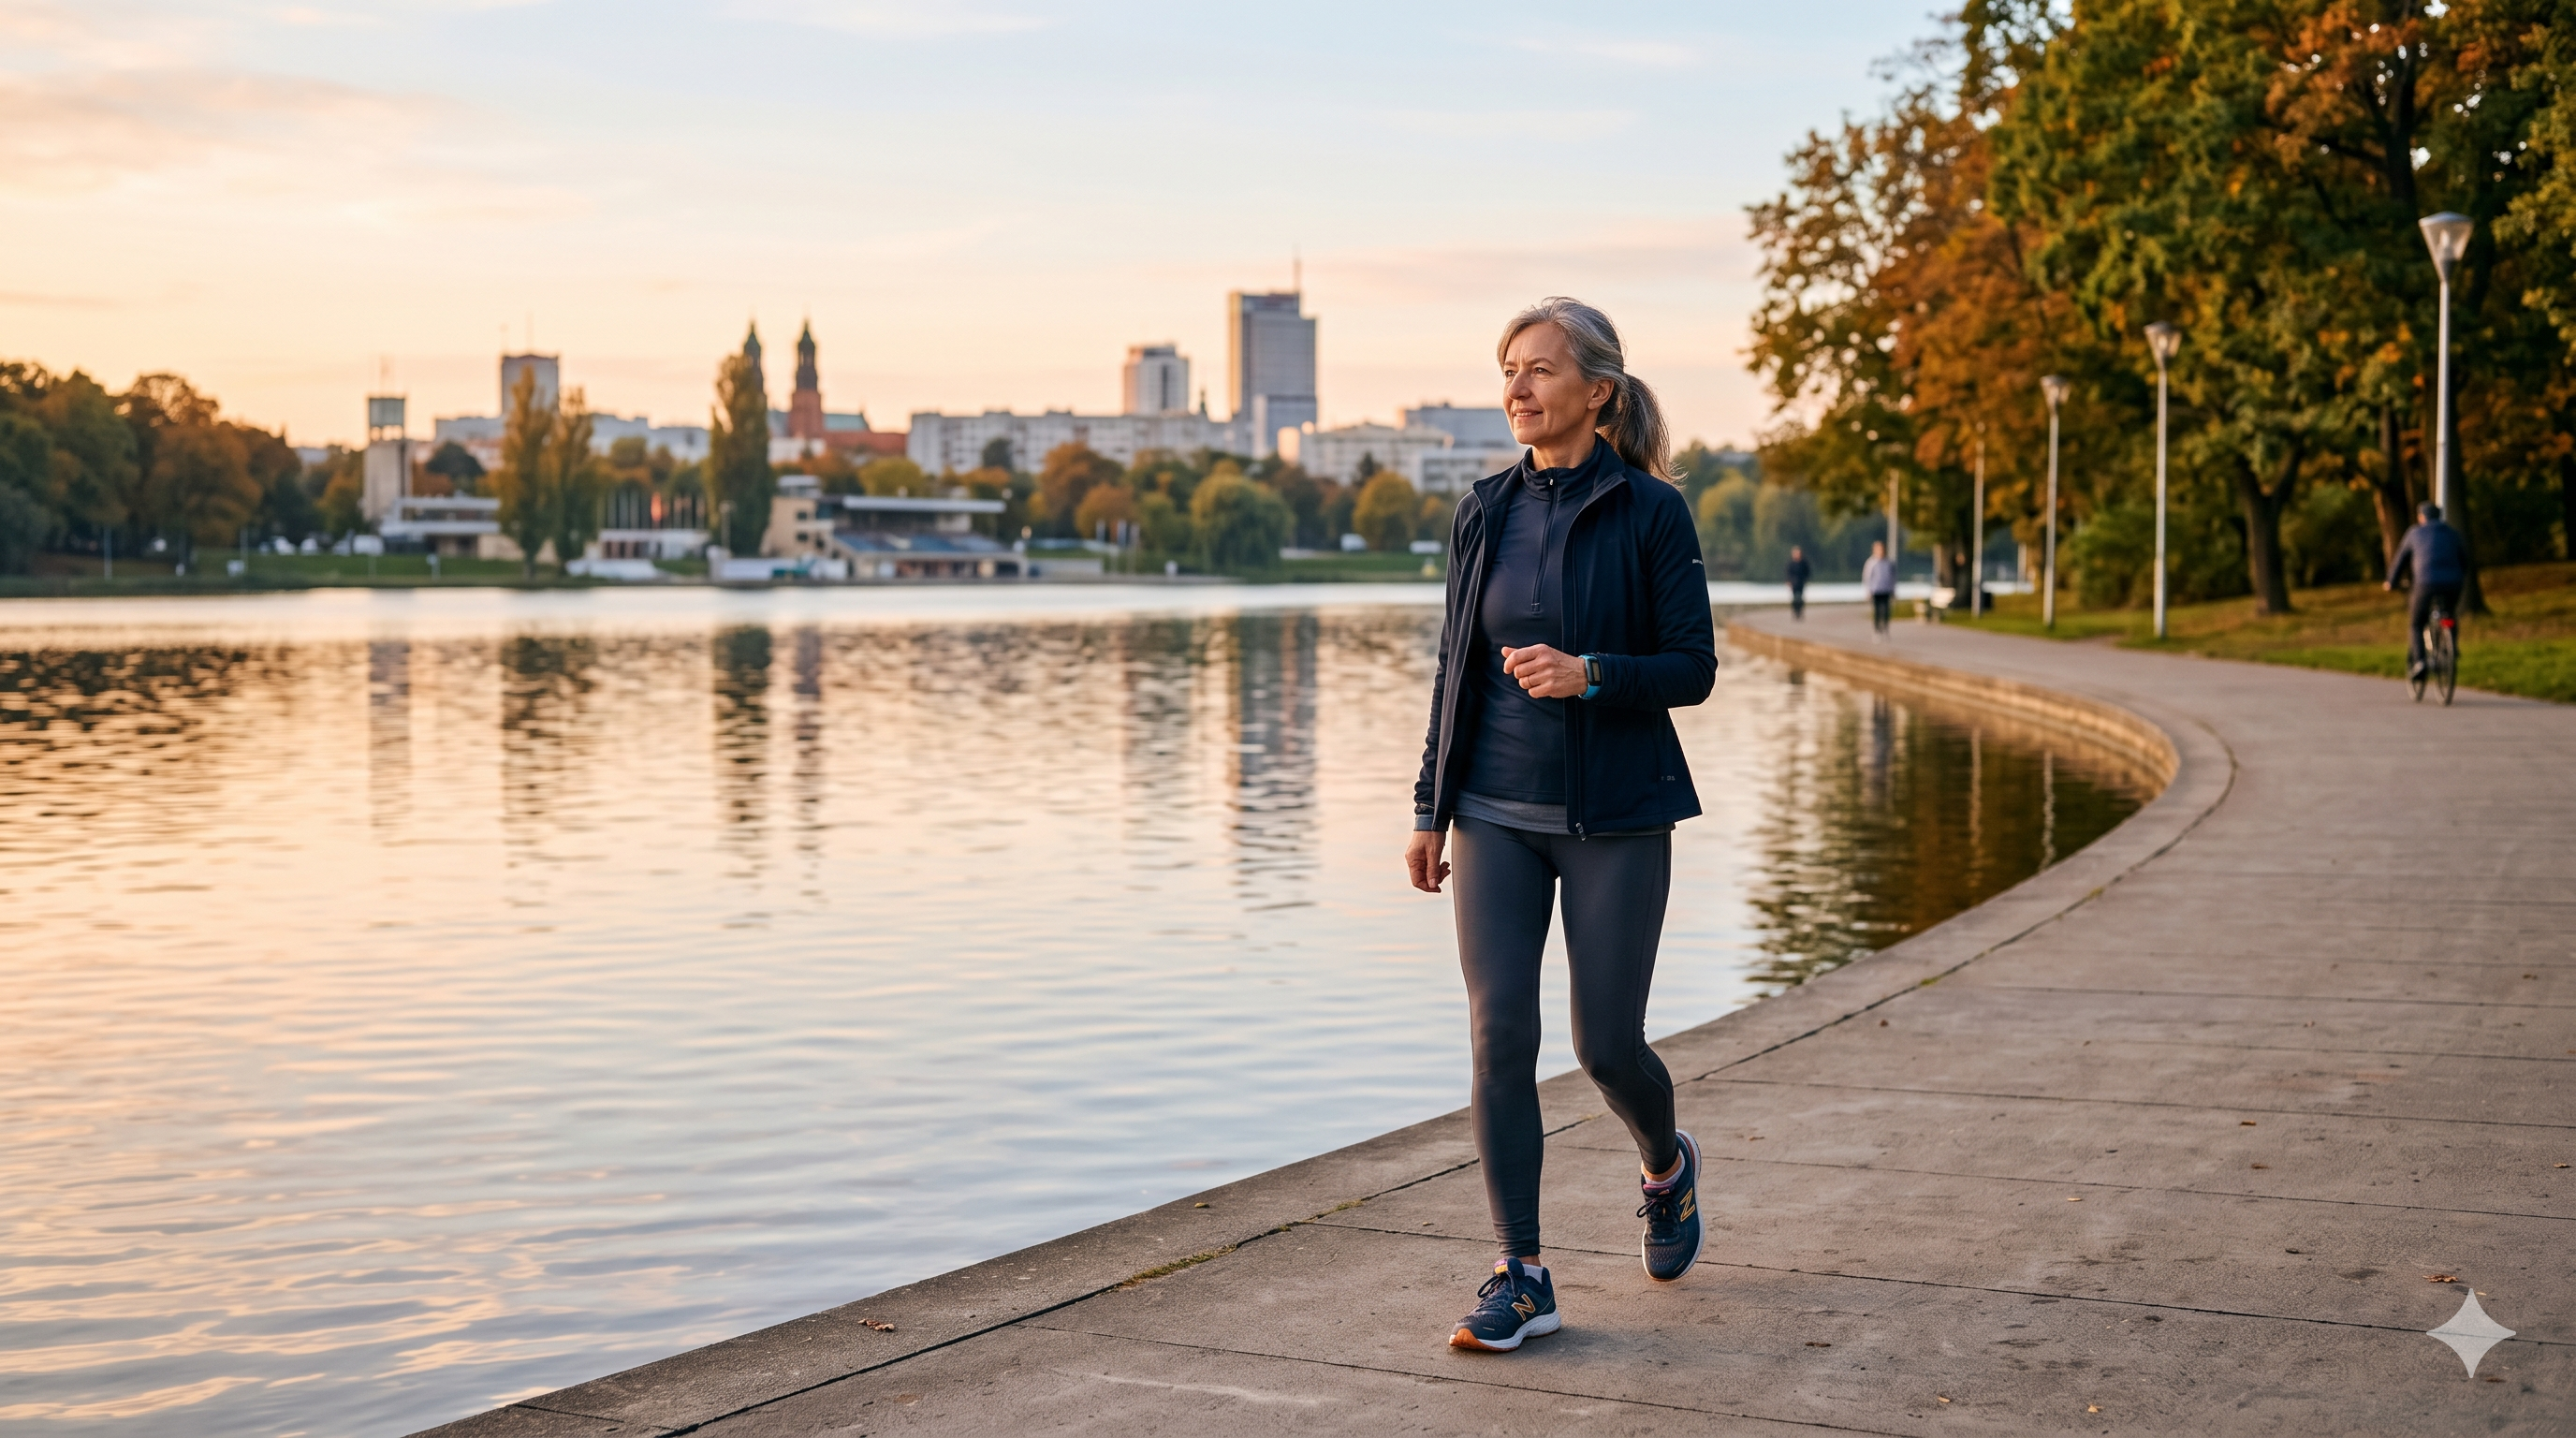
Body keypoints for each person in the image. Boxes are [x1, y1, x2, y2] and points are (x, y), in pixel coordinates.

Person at [1403, 297, 1718, 1355]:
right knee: (1499, 1034)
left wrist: (1592, 677)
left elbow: (1693, 668)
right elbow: (1455, 667)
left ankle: (1665, 1167)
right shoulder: (1483, 510)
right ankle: (1520, 1272)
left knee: (1606, 1045)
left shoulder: (1650, 512)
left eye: (1539, 371)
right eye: (1508, 371)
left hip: (1615, 816)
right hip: (1494, 809)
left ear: (1599, 392)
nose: (1518, 389)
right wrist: (1429, 809)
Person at [2384, 501, 2468, 680]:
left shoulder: (2414, 533)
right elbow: (2464, 558)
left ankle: (2420, 662)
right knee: (2449, 613)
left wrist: (2391, 582)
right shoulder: (2452, 533)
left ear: (2421, 517)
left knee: (2417, 623)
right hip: (2454, 582)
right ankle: (2451, 646)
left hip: (2425, 583)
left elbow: (2400, 560)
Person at [1862, 540, 1896, 636]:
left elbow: (1893, 577)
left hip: (1886, 590)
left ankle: (1885, 629)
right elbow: (1867, 577)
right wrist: (1868, 591)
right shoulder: (1871, 563)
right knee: (1877, 611)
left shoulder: (1889, 563)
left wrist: (1893, 590)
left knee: (1886, 611)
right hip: (1876, 590)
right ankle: (1877, 630)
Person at [1786, 545, 1812, 620]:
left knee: (1800, 598)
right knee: (1795, 599)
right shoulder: (1791, 564)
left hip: (1801, 583)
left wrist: (1806, 579)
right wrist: (1788, 581)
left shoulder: (1804, 563)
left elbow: (1807, 572)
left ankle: (1800, 612)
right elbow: (1788, 573)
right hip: (1794, 583)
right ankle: (1795, 612)